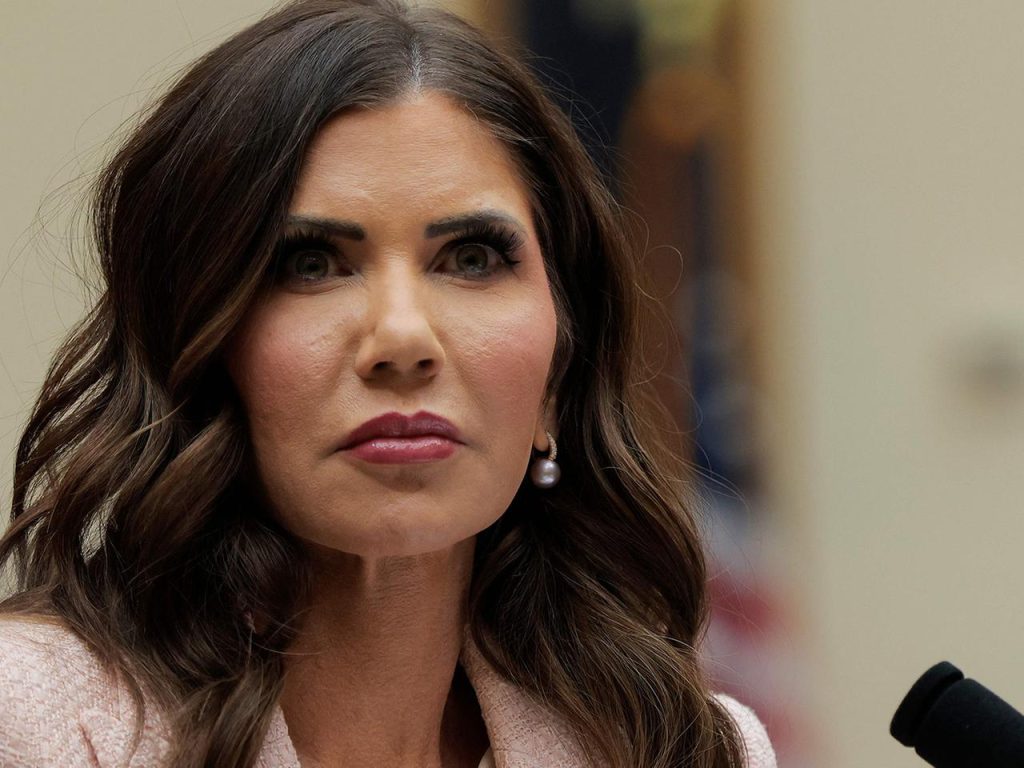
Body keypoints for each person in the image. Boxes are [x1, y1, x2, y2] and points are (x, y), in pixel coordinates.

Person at [0, 1, 776, 766]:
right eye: (311, 264)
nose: (403, 338)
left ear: (557, 374)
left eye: (472, 259)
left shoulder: (686, 748)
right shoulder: (35, 725)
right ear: (195, 348)